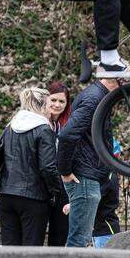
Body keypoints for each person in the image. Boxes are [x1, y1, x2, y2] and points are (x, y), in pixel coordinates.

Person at [0, 86, 63, 246]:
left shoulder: (10, 126)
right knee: (31, 250)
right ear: (41, 106)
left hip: (6, 195)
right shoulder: (43, 129)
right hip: (34, 198)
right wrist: (56, 191)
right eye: (48, 105)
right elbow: (47, 167)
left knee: (10, 248)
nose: (51, 109)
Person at [56, 78, 118, 246]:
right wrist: (65, 171)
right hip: (84, 176)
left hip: (88, 173)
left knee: (80, 238)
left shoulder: (97, 96)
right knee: (79, 240)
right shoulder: (94, 98)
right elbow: (67, 134)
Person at [44, 81, 71, 247]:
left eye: (62, 101)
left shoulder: (64, 125)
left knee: (60, 233)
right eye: (53, 100)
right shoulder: (37, 123)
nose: (57, 105)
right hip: (42, 183)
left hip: (61, 185)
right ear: (46, 100)